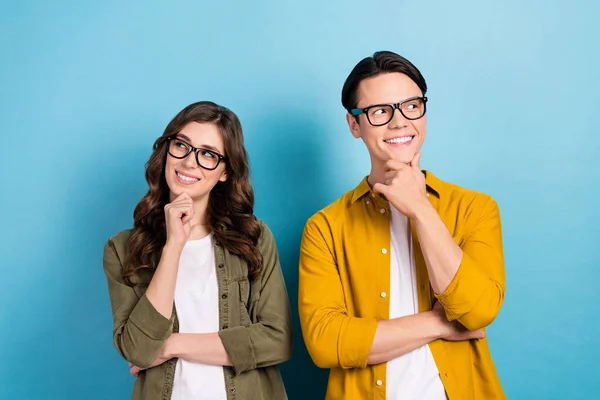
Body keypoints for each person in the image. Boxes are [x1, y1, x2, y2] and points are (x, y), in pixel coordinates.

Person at [298, 51, 506, 400]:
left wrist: (420, 209)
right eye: (380, 111)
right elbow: (326, 343)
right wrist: (440, 323)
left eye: (411, 105)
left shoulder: (475, 208)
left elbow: (479, 310)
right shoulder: (325, 228)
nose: (399, 122)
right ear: (354, 124)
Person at [103, 101, 292, 400]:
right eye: (182, 145)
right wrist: (174, 246)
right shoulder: (123, 249)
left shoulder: (253, 238)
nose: (190, 162)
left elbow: (277, 339)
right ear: (167, 151)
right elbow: (138, 350)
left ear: (225, 172)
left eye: (208, 154)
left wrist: (172, 344)